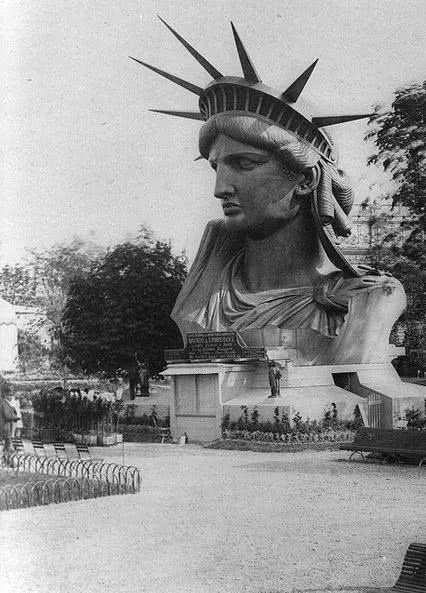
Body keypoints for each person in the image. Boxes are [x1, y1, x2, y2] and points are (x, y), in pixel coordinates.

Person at [137, 21, 406, 366]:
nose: (220, 188)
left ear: (305, 181)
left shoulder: (361, 300)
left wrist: (372, 317)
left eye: (244, 164)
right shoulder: (204, 295)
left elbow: (363, 386)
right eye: (216, 167)